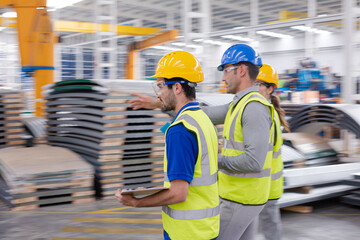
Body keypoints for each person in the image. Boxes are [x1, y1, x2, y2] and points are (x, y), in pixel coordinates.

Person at [128, 44, 275, 240]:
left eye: (226, 71)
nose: (223, 78)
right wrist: (160, 102)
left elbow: (254, 162)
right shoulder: (238, 105)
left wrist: (213, 161)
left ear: (241, 70)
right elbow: (201, 112)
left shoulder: (254, 108)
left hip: (242, 198)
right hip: (235, 195)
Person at [115, 50, 220, 240]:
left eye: (161, 86)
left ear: (177, 87)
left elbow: (179, 193)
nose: (159, 94)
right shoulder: (203, 120)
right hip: (206, 229)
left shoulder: (180, 130)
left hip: (186, 233)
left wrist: (137, 202)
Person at [256, 64, 289, 240]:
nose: (256, 88)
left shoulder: (266, 114)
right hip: (266, 184)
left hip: (266, 185)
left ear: (269, 89)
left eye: (259, 84)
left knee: (270, 230)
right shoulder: (267, 111)